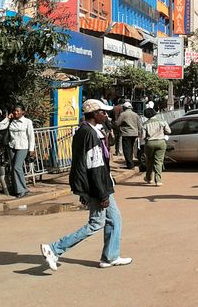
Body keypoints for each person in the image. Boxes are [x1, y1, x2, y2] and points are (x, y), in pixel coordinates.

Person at [40, 99, 132, 270]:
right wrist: (101, 193)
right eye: (103, 112)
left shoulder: (86, 131)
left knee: (115, 219)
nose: (105, 115)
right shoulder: (89, 134)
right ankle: (54, 248)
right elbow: (94, 167)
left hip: (99, 184)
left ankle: (110, 256)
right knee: (96, 223)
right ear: (94, 114)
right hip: (98, 186)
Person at [0, 103, 35, 198]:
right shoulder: (11, 121)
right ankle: (16, 189)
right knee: (13, 168)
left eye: (18, 111)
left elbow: (31, 136)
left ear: (23, 112)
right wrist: (7, 119)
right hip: (12, 147)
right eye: (14, 111)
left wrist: (31, 149)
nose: (16, 112)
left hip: (23, 147)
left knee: (17, 167)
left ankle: (22, 190)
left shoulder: (27, 122)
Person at [142, 108, 171, 186]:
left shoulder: (145, 124)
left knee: (149, 161)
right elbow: (169, 131)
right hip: (161, 142)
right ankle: (158, 180)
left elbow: (143, 136)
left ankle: (148, 178)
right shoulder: (162, 121)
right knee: (159, 161)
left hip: (150, 143)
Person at [115, 102, 142, 169]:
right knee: (131, 149)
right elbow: (140, 126)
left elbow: (117, 123)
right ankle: (130, 163)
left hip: (126, 134)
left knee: (126, 149)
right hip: (134, 134)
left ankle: (130, 165)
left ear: (124, 108)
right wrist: (139, 134)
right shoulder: (135, 114)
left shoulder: (123, 114)